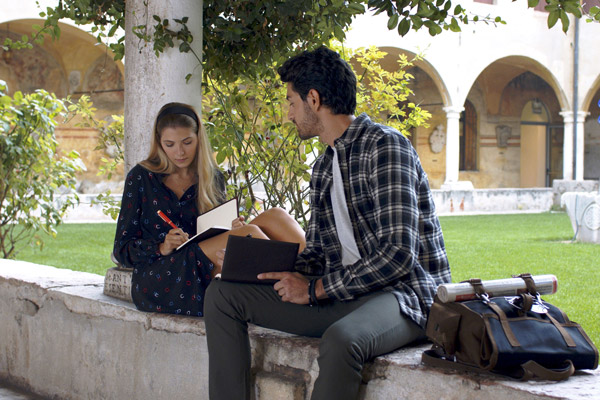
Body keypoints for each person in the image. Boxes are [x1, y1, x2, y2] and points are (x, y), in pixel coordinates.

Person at [204, 47, 451, 400]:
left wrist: (315, 290)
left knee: (342, 340)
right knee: (222, 294)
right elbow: (318, 254)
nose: (289, 114)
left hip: (404, 297)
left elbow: (398, 255)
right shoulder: (323, 167)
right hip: (343, 293)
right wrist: (255, 264)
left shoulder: (385, 146)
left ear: (314, 99)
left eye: (291, 102)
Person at [113, 102, 305, 317]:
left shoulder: (212, 177)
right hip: (160, 278)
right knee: (248, 234)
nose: (179, 152)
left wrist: (232, 228)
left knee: (276, 216)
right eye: (170, 144)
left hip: (203, 263)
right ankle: (297, 295)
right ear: (159, 143)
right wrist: (161, 247)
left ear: (198, 138)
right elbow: (121, 250)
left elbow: (216, 232)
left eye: (187, 142)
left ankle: (316, 276)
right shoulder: (141, 177)